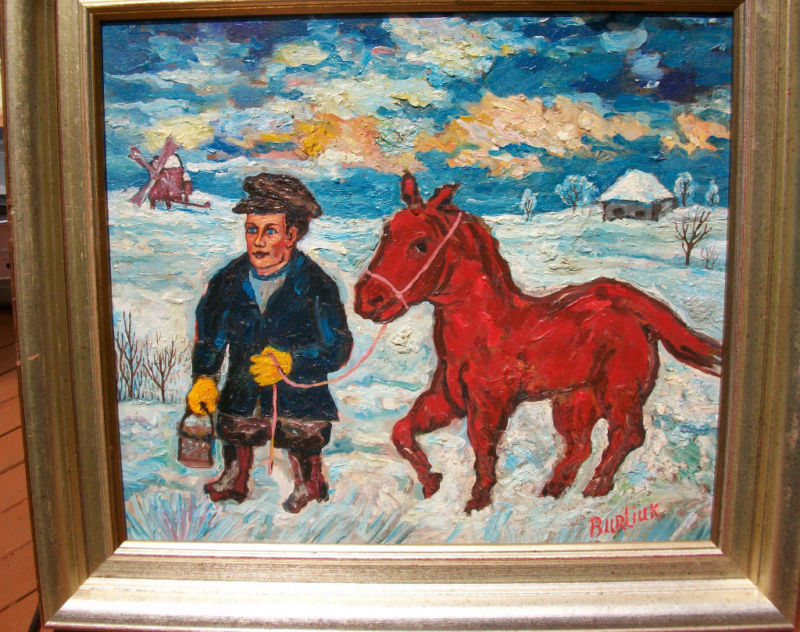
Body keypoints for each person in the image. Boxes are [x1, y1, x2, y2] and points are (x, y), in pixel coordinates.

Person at [185, 173, 353, 513]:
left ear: (291, 235)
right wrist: (204, 376)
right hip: (243, 386)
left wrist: (293, 362)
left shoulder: (316, 285)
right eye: (252, 230)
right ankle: (235, 475)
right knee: (236, 424)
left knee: (302, 430)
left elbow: (338, 345)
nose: (258, 242)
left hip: (300, 393)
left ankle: (310, 481)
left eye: (270, 231)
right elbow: (211, 334)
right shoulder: (227, 281)